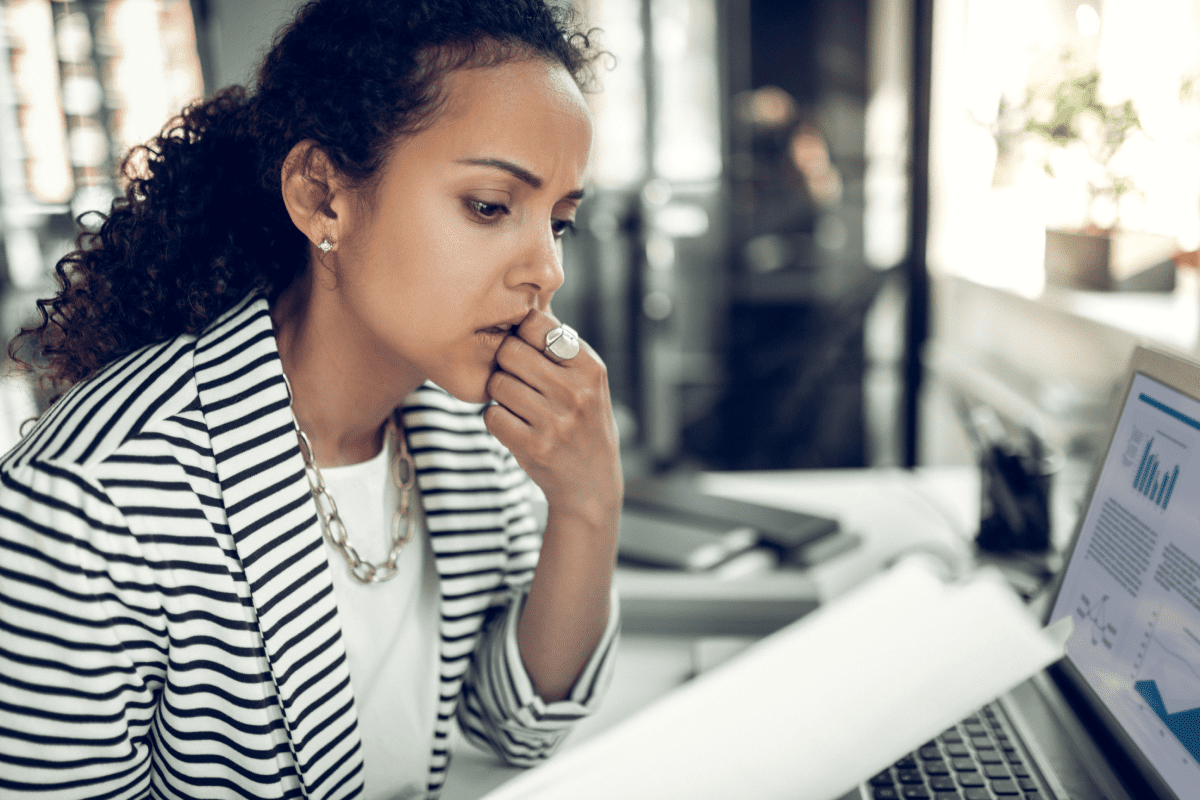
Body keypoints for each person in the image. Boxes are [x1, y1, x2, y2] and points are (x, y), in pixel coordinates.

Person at [0, 1, 622, 798]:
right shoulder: (91, 497)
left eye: (560, 222)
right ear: (322, 197)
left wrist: (588, 504)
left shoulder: (460, 442)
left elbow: (515, 722)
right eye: (491, 206)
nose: (546, 269)